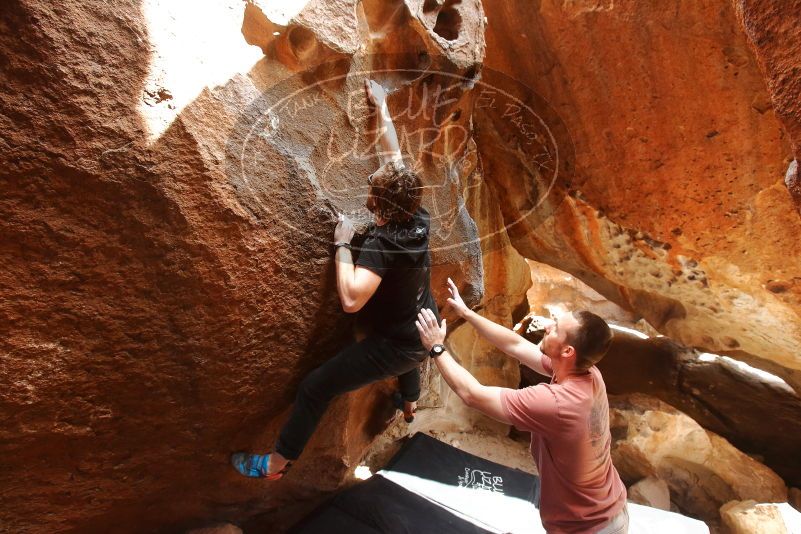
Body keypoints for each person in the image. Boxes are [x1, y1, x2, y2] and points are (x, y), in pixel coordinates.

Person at [231, 79, 438, 480]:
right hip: (423, 322)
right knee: (412, 357)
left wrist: (343, 246)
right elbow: (392, 156)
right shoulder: (418, 217)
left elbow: (352, 299)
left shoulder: (383, 243)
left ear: (379, 206)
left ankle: (276, 464)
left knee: (315, 387)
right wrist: (382, 106)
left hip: (395, 343)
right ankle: (409, 404)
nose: (369, 192)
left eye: (372, 192)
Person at [415, 278, 628, 533]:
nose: (547, 325)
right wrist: (467, 313)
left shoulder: (556, 403)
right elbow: (516, 345)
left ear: (568, 351)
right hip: (608, 508)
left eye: (556, 328)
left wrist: (436, 346)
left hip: (586, 526)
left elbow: (473, 395)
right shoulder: (588, 373)